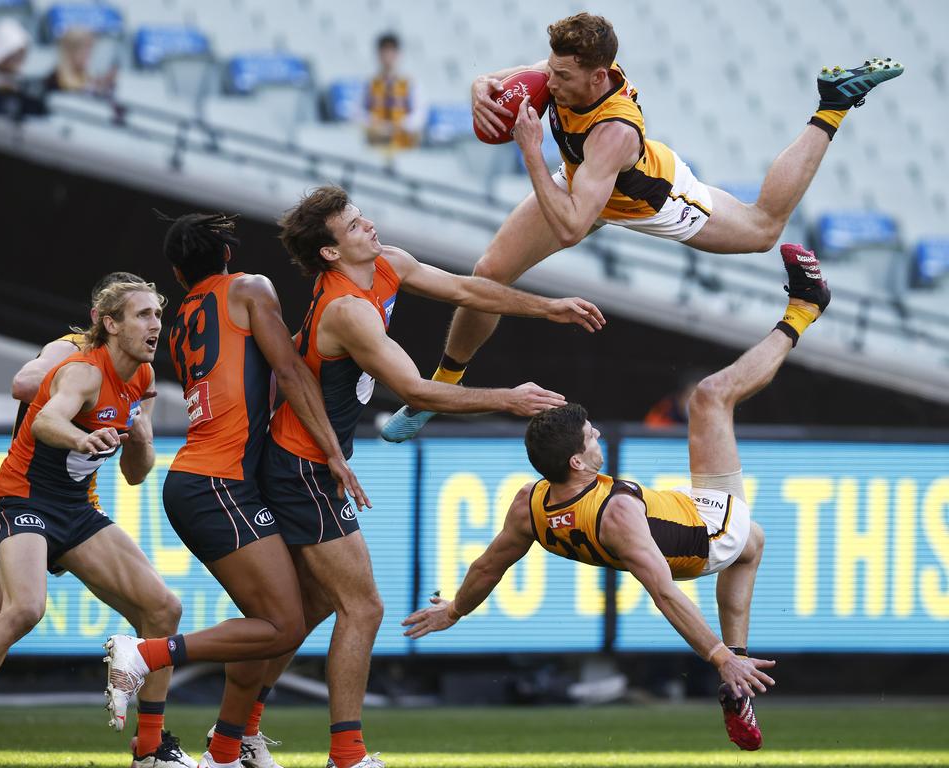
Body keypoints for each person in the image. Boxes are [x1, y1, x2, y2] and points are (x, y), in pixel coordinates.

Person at [196, 184, 604, 768]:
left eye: (363, 218)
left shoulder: (387, 263)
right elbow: (411, 389)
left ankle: (230, 744)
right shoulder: (347, 310)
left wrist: (549, 307)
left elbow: (467, 289)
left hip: (311, 461)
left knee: (302, 614)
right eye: (355, 226)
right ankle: (347, 755)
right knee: (362, 607)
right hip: (299, 466)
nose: (370, 228)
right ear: (332, 254)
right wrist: (507, 399)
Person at [380, 11, 900, 441]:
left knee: (763, 228)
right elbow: (508, 77)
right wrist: (480, 87)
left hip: (650, 197)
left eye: (562, 78)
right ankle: (440, 390)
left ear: (598, 78)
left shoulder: (614, 130)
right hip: (583, 181)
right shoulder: (571, 68)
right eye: (552, 71)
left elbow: (570, 227)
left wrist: (532, 153)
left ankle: (832, 106)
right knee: (488, 271)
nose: (550, 83)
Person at [403, 243, 831, 752]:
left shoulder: (530, 504)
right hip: (709, 532)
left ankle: (737, 686)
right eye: (590, 435)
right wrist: (719, 656)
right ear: (577, 463)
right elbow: (667, 594)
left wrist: (454, 611)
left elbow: (487, 567)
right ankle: (805, 308)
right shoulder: (619, 515)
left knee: (754, 543)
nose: (598, 433)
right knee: (711, 397)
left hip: (678, 521)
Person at [102, 212, 368, 768]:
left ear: (178, 274)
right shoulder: (250, 288)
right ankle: (147, 654)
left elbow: (248, 372)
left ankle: (228, 748)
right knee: (281, 624)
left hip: (214, 479)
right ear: (227, 255)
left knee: (291, 612)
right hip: (217, 482)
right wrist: (335, 453)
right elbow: (289, 372)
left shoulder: (181, 320)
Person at [0, 281, 199, 768]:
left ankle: (152, 749)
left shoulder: (143, 377)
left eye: (157, 314)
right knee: (22, 610)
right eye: (142, 315)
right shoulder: (80, 368)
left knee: (164, 609)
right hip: (22, 498)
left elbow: (136, 474)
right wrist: (80, 438)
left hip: (74, 510)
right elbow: (45, 421)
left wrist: (138, 437)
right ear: (110, 323)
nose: (155, 324)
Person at [364, 32, 423, 150]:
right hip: (376, 145)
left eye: (391, 51)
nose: (388, 56)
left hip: (404, 144)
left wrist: (399, 126)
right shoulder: (370, 83)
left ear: (398, 54)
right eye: (384, 51)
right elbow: (358, 112)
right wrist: (375, 124)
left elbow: (419, 114)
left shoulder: (410, 83)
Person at [43, 27, 117, 97]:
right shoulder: (54, 81)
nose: (89, 55)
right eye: (85, 50)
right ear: (71, 51)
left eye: (90, 49)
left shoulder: (88, 79)